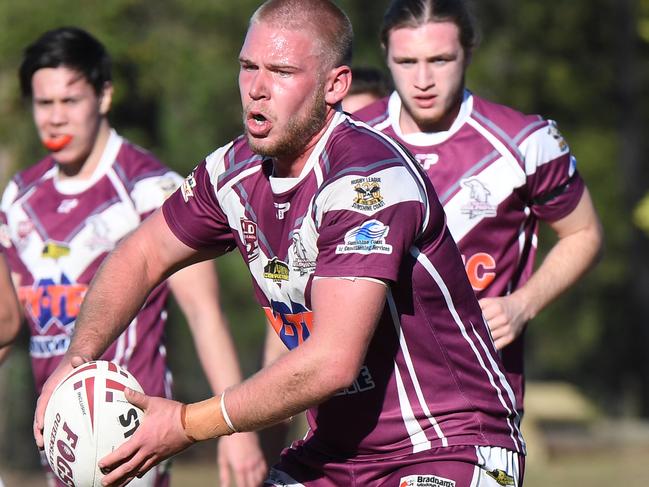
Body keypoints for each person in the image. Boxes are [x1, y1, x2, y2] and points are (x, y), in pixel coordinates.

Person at [35, 3, 526, 486]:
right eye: (248, 67)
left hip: (449, 445)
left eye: (282, 71)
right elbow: (139, 255)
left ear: (336, 86)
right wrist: (77, 357)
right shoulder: (231, 173)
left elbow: (333, 361)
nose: (257, 89)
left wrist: (186, 424)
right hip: (336, 457)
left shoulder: (366, 183)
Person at [1, 27, 266, 487]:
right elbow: (7, 324)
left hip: (126, 426)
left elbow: (204, 314)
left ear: (104, 96)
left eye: (71, 101)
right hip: (55, 428)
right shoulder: (19, 198)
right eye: (45, 105)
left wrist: (235, 431)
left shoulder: (151, 189)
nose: (56, 118)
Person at [354, 0, 604, 416]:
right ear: (386, 55)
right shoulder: (352, 141)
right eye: (406, 61)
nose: (422, 79)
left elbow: (584, 233)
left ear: (468, 53)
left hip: (474, 400)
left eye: (440, 60)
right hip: (368, 398)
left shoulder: (525, 141)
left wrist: (522, 304)